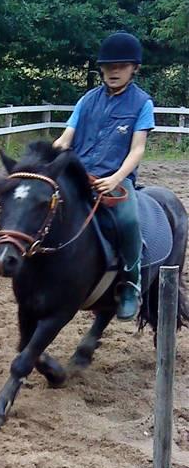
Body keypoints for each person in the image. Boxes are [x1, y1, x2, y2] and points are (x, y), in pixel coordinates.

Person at [52, 31, 155, 321]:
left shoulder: (142, 104)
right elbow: (65, 138)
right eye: (109, 66)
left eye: (121, 65)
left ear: (134, 68)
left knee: (129, 220)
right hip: (78, 176)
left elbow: (137, 150)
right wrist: (47, 159)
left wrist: (116, 179)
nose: (114, 71)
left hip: (115, 180)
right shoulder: (87, 100)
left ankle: (130, 285)